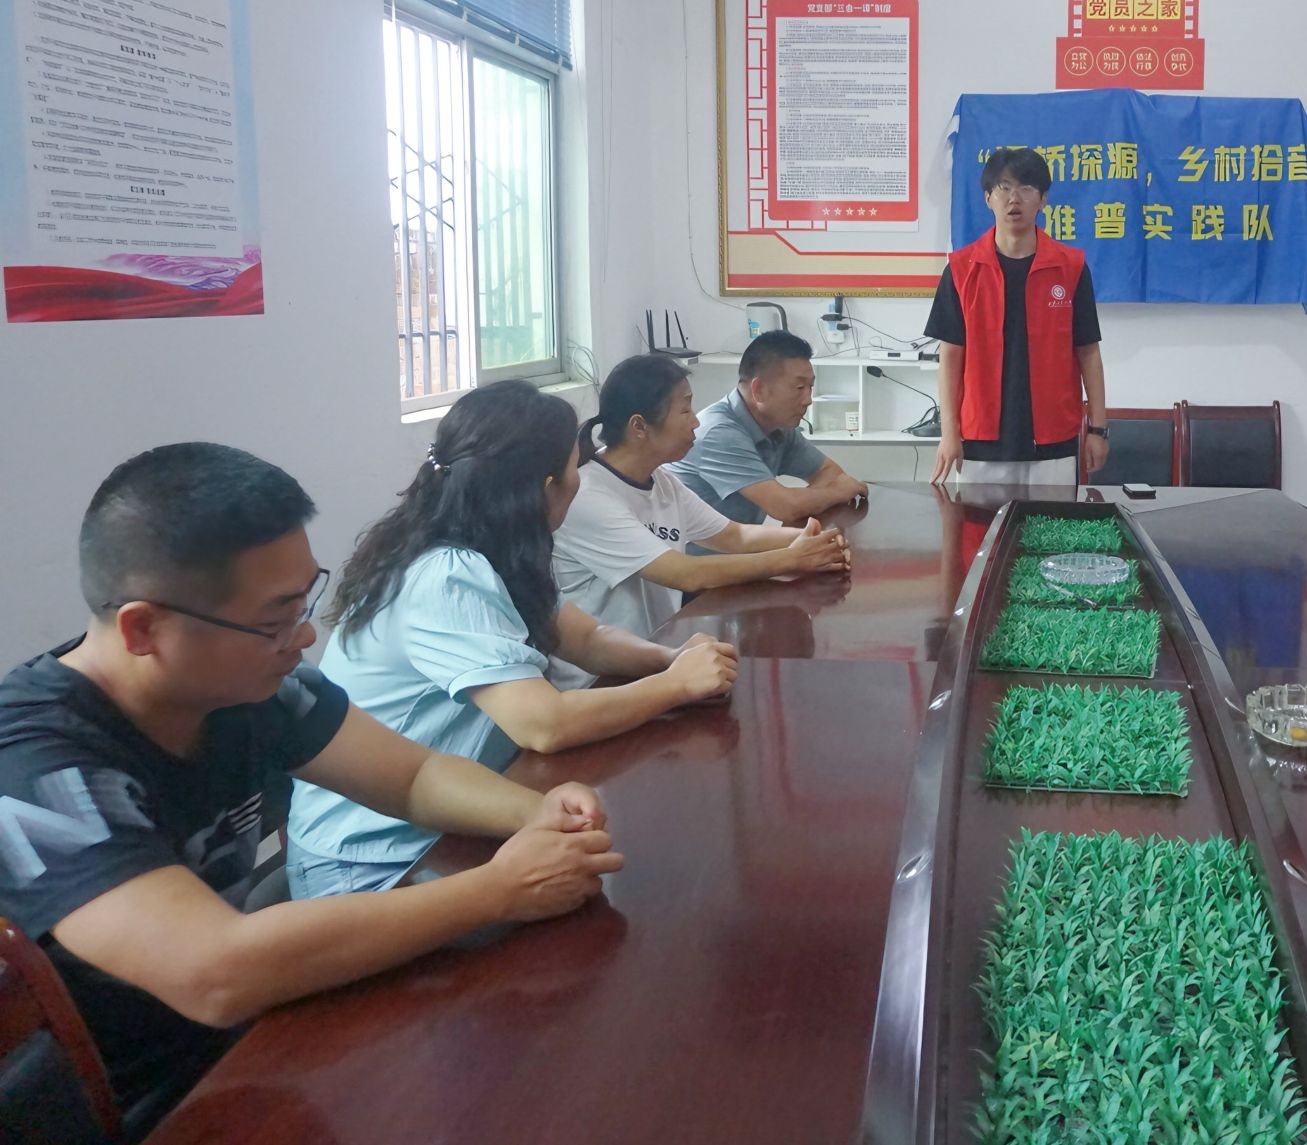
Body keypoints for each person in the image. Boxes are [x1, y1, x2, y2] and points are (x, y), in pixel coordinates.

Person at [0, 443, 622, 1126]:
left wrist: (538, 813)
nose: (302, 636)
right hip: (140, 1102)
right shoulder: (39, 766)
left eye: (305, 600)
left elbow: (414, 776)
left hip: (254, 1039)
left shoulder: (245, 685)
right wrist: (500, 888)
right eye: (275, 620)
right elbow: (214, 972)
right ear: (144, 628)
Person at [288, 381, 735, 897]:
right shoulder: (447, 574)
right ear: (545, 486)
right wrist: (675, 686)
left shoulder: (490, 549)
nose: (580, 479)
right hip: (377, 860)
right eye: (575, 467)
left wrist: (669, 659)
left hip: (455, 818)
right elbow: (544, 724)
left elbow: (587, 639)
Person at [552, 354, 851, 687]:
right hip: (599, 680)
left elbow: (735, 536)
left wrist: (820, 540)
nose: (696, 422)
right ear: (639, 427)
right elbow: (687, 574)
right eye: (685, 410)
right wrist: (792, 558)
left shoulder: (661, 481)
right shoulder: (589, 497)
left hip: (657, 660)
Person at [925, 146, 1109, 486]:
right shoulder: (962, 269)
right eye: (1004, 188)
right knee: (977, 523)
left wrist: (1098, 429)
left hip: (1053, 441)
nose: (1014, 198)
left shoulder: (1070, 267)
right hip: (979, 441)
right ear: (988, 198)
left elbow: (1088, 352)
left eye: (1026, 188)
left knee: (1051, 523)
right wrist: (949, 433)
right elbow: (950, 357)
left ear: (1042, 200)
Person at [674, 330, 869, 526]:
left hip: (743, 542)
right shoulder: (718, 433)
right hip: (698, 547)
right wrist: (836, 493)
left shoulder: (778, 426)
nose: (808, 400)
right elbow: (785, 507)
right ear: (759, 390)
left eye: (810, 387)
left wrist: (806, 501)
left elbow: (830, 473)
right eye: (799, 388)